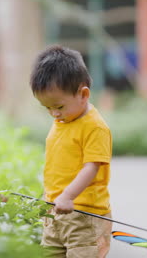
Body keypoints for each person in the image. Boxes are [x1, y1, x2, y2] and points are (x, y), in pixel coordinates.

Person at [29, 45, 113, 258]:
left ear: (83, 94)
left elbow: (91, 167)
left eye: (58, 106)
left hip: (84, 216)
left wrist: (67, 195)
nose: (53, 114)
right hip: (55, 212)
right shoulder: (64, 119)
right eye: (46, 107)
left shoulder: (94, 127)